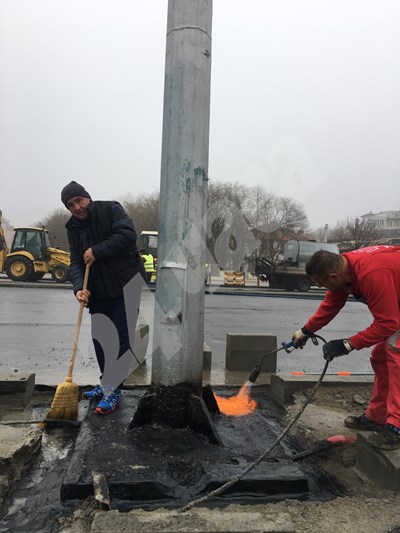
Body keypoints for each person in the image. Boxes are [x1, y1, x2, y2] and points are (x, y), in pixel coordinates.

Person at [292, 245, 400, 450]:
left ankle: (396, 428)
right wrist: (306, 330)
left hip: (394, 313)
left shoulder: (373, 273)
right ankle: (377, 417)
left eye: (321, 284)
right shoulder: (345, 269)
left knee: (396, 354)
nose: (323, 288)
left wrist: (347, 345)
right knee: (380, 356)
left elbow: (388, 324)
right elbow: (331, 304)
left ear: (332, 277)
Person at [61, 180, 145, 414]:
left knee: (120, 338)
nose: (76, 207)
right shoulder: (73, 228)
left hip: (126, 284)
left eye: (78, 200)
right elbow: (76, 261)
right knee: (100, 338)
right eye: (70, 205)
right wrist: (79, 287)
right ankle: (106, 382)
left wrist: (97, 250)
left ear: (87, 197)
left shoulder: (110, 209)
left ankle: (113, 389)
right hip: (98, 290)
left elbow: (128, 234)